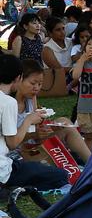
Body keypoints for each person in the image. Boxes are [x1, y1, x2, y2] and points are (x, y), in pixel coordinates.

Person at [0, 55, 67, 191]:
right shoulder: (8, 102)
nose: (36, 87)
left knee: (35, 169)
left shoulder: (19, 100)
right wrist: (28, 120)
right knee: (61, 175)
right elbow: (12, 144)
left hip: (9, 162)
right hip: (4, 170)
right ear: (18, 78)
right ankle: (11, 188)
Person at [15, 59, 91, 165]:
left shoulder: (30, 98)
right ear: (19, 79)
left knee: (64, 122)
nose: (36, 88)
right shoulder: (9, 104)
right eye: (33, 83)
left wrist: (48, 128)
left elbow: (37, 129)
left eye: (40, 84)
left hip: (34, 144)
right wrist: (34, 135)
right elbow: (10, 141)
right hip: (19, 152)